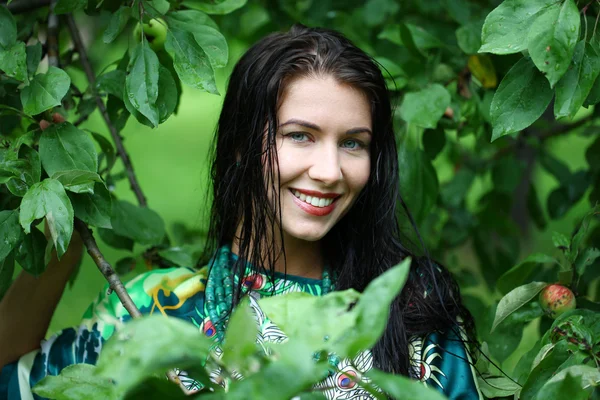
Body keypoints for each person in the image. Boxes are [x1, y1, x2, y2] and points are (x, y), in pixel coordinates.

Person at [0, 25, 482, 399]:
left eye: (353, 143)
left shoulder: (412, 307)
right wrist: (57, 229)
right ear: (239, 149)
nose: (331, 170)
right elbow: (12, 384)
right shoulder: (157, 309)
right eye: (300, 136)